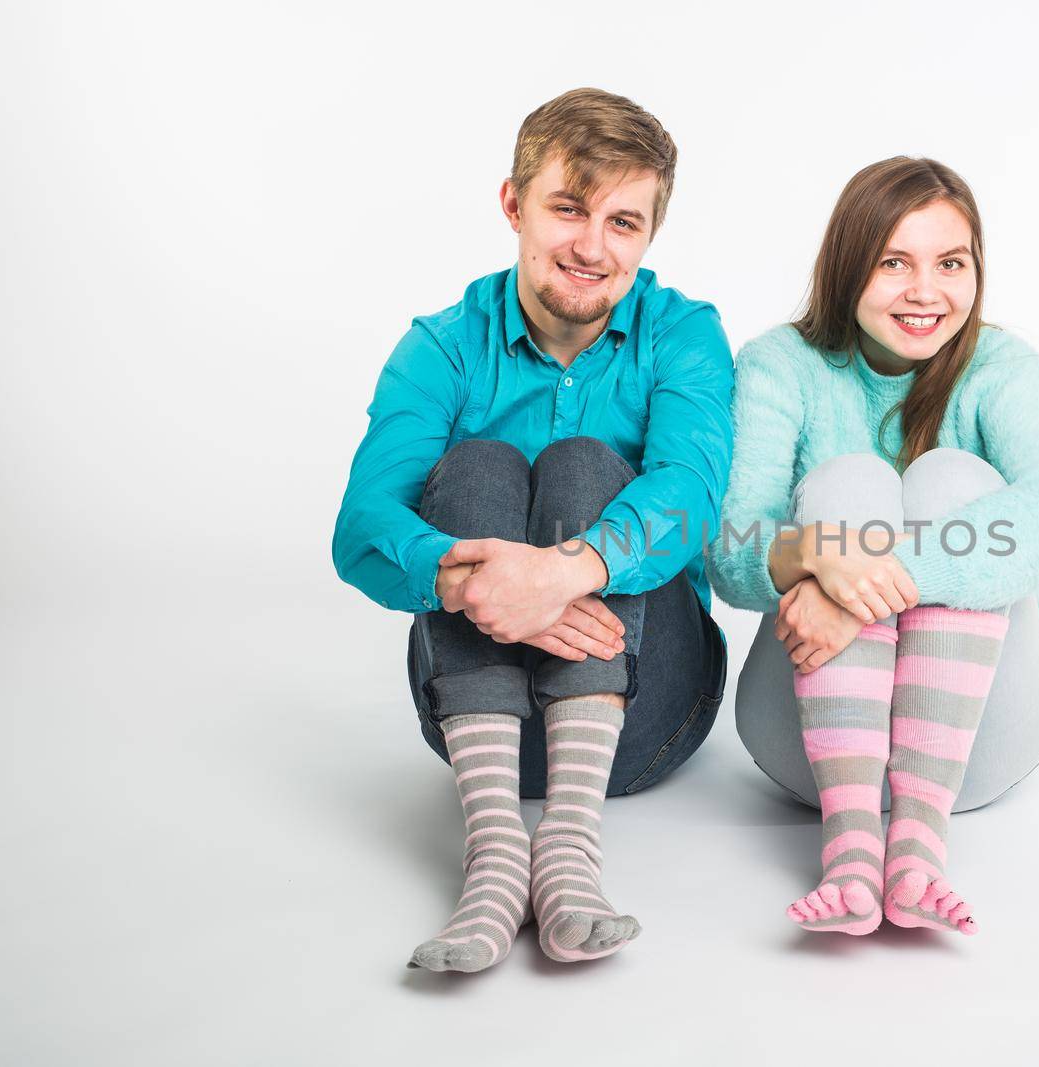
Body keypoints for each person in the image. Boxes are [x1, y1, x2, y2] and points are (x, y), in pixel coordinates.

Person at [333, 88, 732, 968]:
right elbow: (362, 526)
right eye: (568, 208)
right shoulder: (441, 345)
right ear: (513, 204)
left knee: (588, 464)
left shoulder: (684, 334)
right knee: (476, 468)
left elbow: (694, 491)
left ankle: (568, 846)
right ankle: (496, 850)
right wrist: (477, 583)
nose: (593, 246)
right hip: (485, 737)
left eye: (624, 221)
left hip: (643, 715)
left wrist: (563, 572)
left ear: (650, 236)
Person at [707, 157, 1039, 937]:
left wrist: (871, 579)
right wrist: (815, 550)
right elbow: (726, 547)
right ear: (849, 266)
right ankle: (851, 849)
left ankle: (918, 844)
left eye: (951, 263)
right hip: (811, 745)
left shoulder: (1005, 369)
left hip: (980, 738)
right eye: (894, 263)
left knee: (952, 477)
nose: (926, 291)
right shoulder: (781, 365)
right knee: (849, 484)